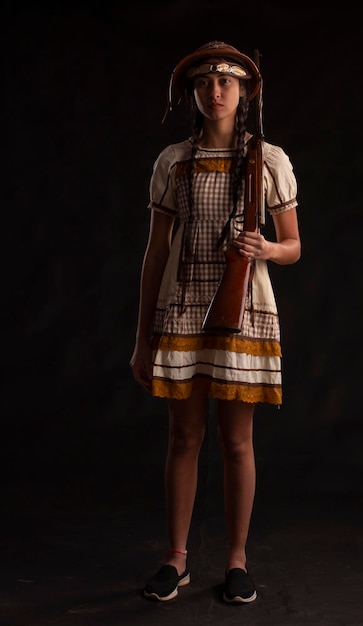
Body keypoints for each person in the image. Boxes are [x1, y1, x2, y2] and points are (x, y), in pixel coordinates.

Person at [130, 40, 301, 604]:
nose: (216, 90)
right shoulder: (173, 161)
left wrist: (268, 250)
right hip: (183, 309)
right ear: (193, 94)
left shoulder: (269, 160)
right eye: (205, 82)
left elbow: (294, 245)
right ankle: (176, 559)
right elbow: (155, 255)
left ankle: (235, 560)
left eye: (227, 81)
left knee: (237, 444)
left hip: (244, 315)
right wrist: (141, 340)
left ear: (246, 91)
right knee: (183, 438)